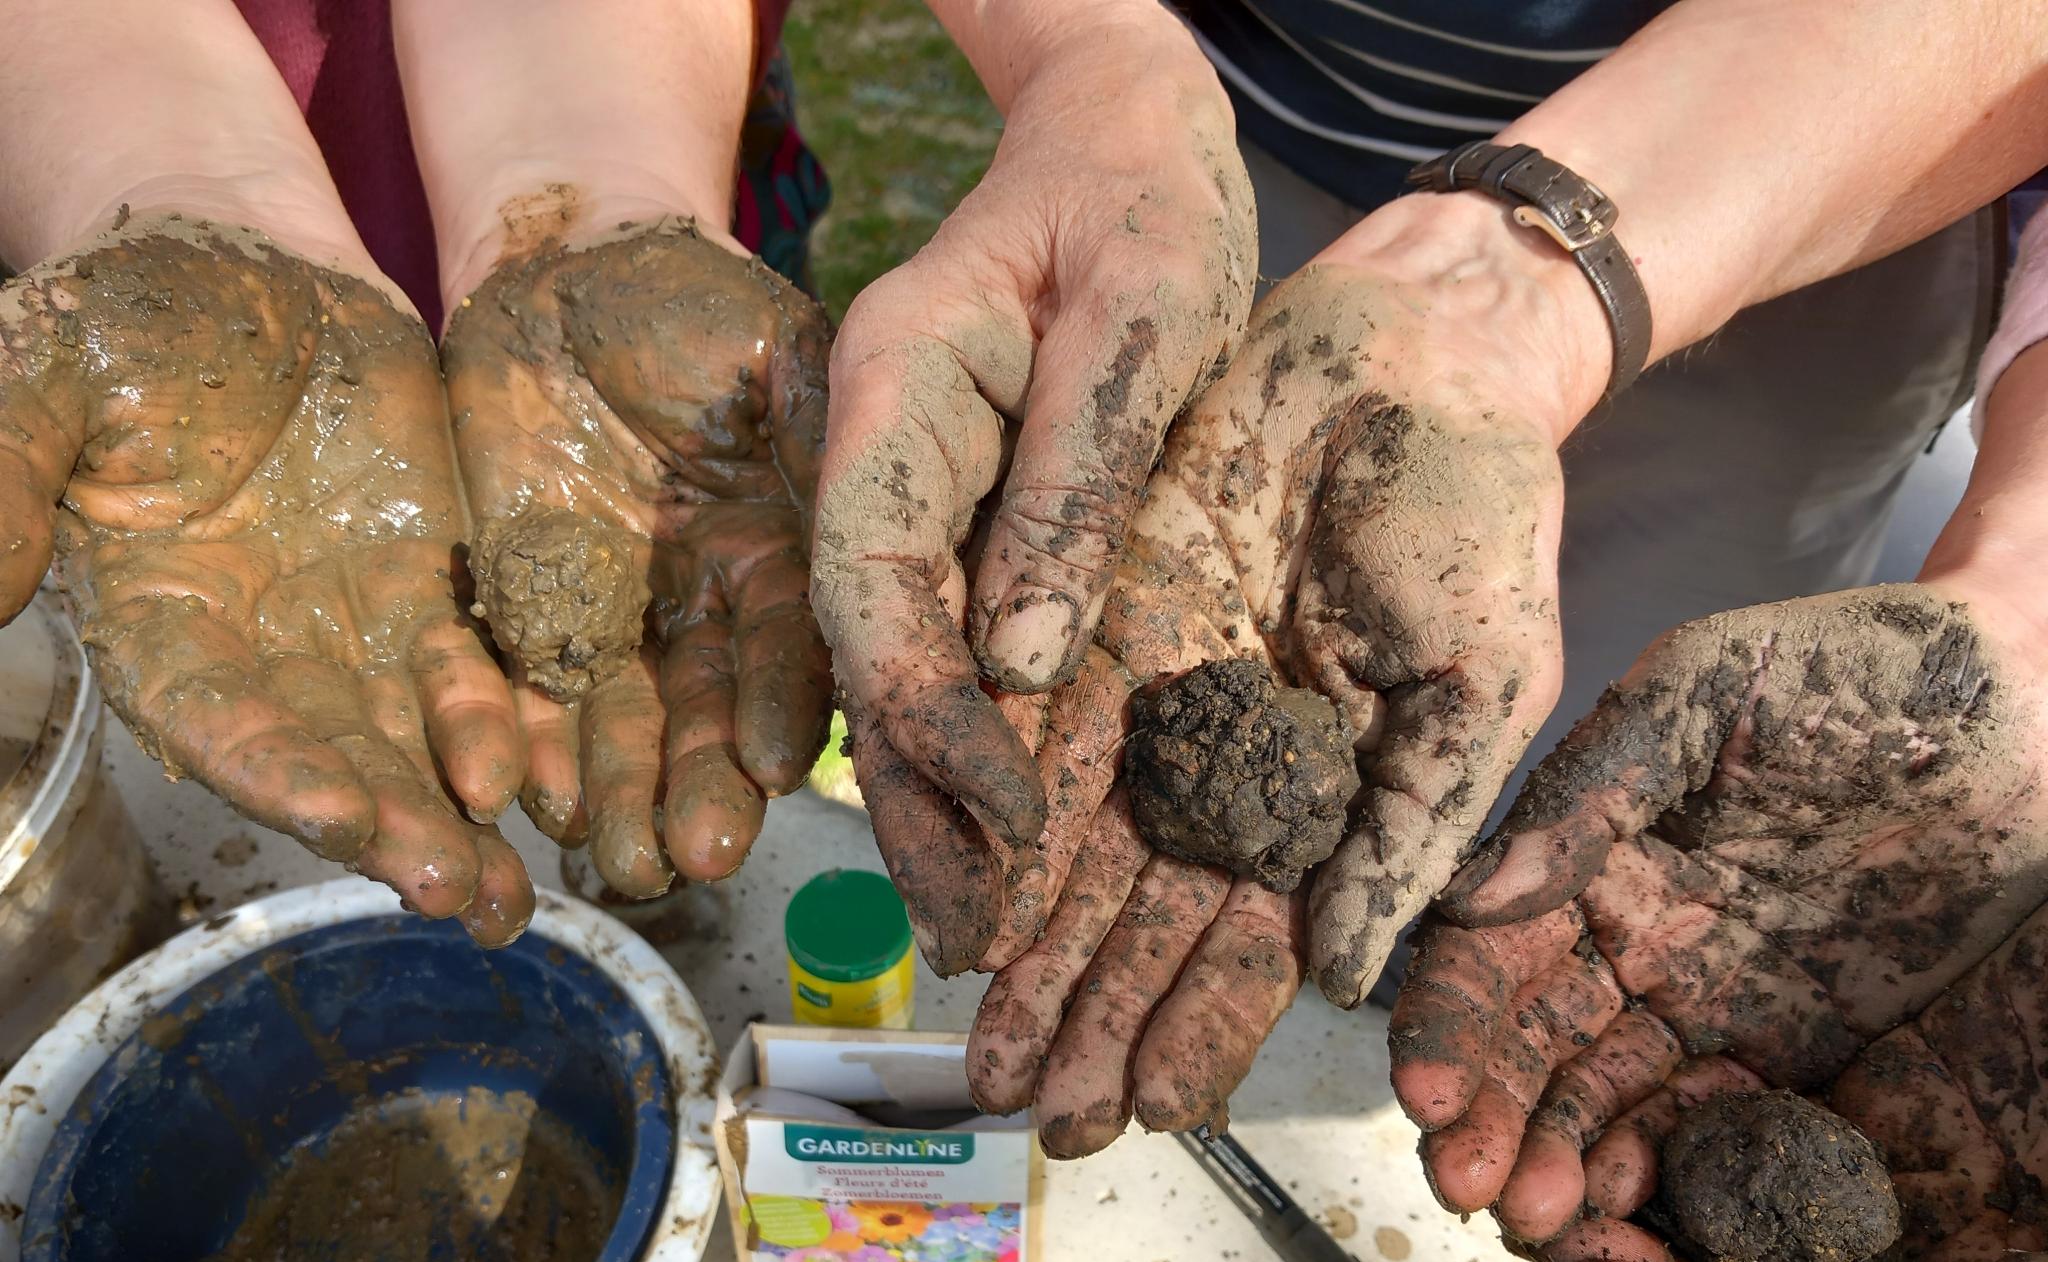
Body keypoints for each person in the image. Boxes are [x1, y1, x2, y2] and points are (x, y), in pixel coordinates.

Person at [811, 0, 2048, 1152]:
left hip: (1839, 188)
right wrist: (1085, 55)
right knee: (1353, 743)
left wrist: (2021, 577)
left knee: (1612, 780)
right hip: (1220, 148)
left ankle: (1410, 1030)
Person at [1392, 208, 2048, 1262]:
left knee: (1552, 844)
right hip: (1321, 141)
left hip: (1859, 259)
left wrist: (2029, 634)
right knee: (1505, 818)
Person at [0, 0, 835, 941]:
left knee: (666, 760)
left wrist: (595, 198)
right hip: (235, 340)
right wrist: (174, 188)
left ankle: (670, 917)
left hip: (644, 139)